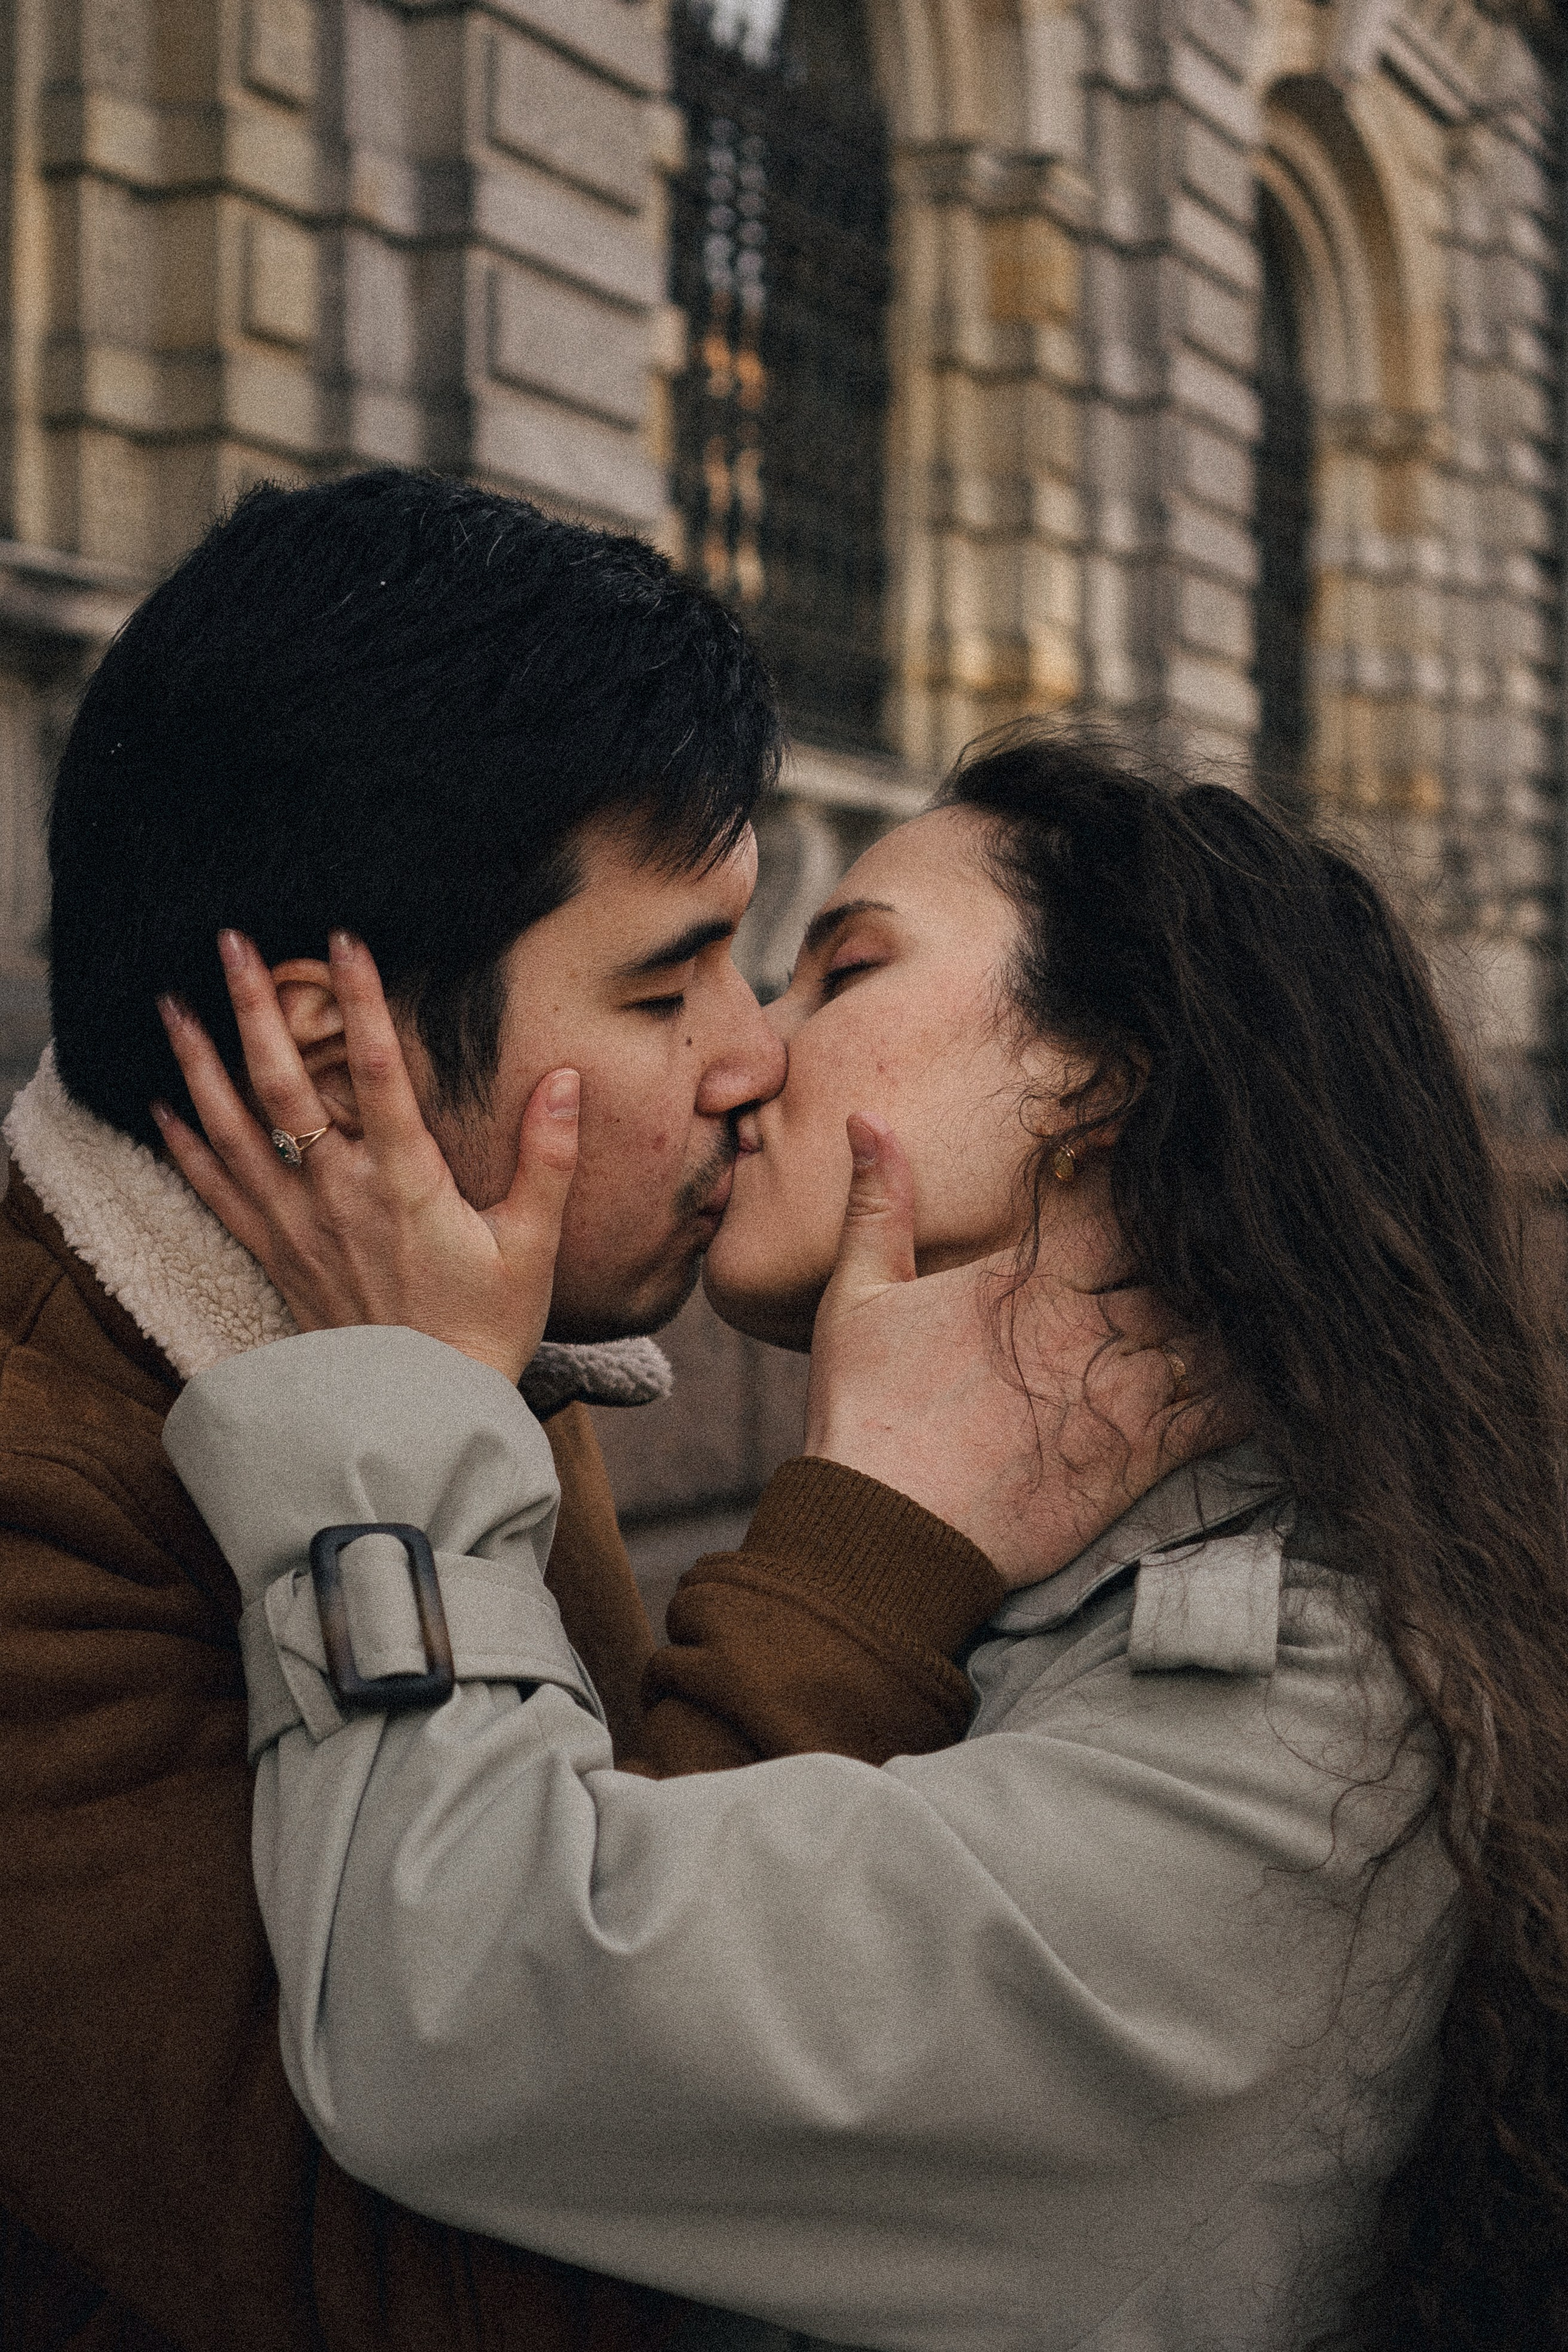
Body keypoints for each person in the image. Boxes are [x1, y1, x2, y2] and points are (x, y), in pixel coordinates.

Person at [159, 729, 1568, 2352]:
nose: (751, 1056)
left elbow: (466, 2006)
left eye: (842, 971)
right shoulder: (1088, 1595)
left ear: (1101, 1079)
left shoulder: (1296, 1750)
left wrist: (398, 1399)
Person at [0, 472, 1185, 2352]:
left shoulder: (447, 1316)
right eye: (665, 985)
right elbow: (533, 2259)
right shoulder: (47, 1501)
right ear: (335, 1055)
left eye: (756, 951)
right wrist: (859, 1564)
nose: (756, 1053)